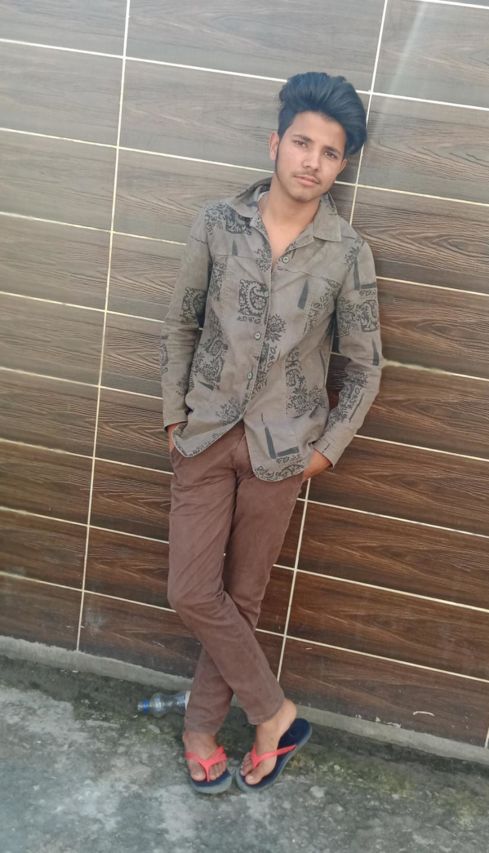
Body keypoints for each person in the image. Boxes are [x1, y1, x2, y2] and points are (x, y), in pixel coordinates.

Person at [159, 71, 382, 793]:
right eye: (302, 142)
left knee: (243, 598)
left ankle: (201, 730)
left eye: (330, 152)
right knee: (193, 592)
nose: (312, 161)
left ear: (341, 166)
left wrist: (326, 452)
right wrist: (173, 414)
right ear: (275, 143)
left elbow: (365, 366)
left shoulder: (346, 253)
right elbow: (181, 322)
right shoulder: (217, 224)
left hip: (283, 453)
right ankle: (274, 713)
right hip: (204, 435)